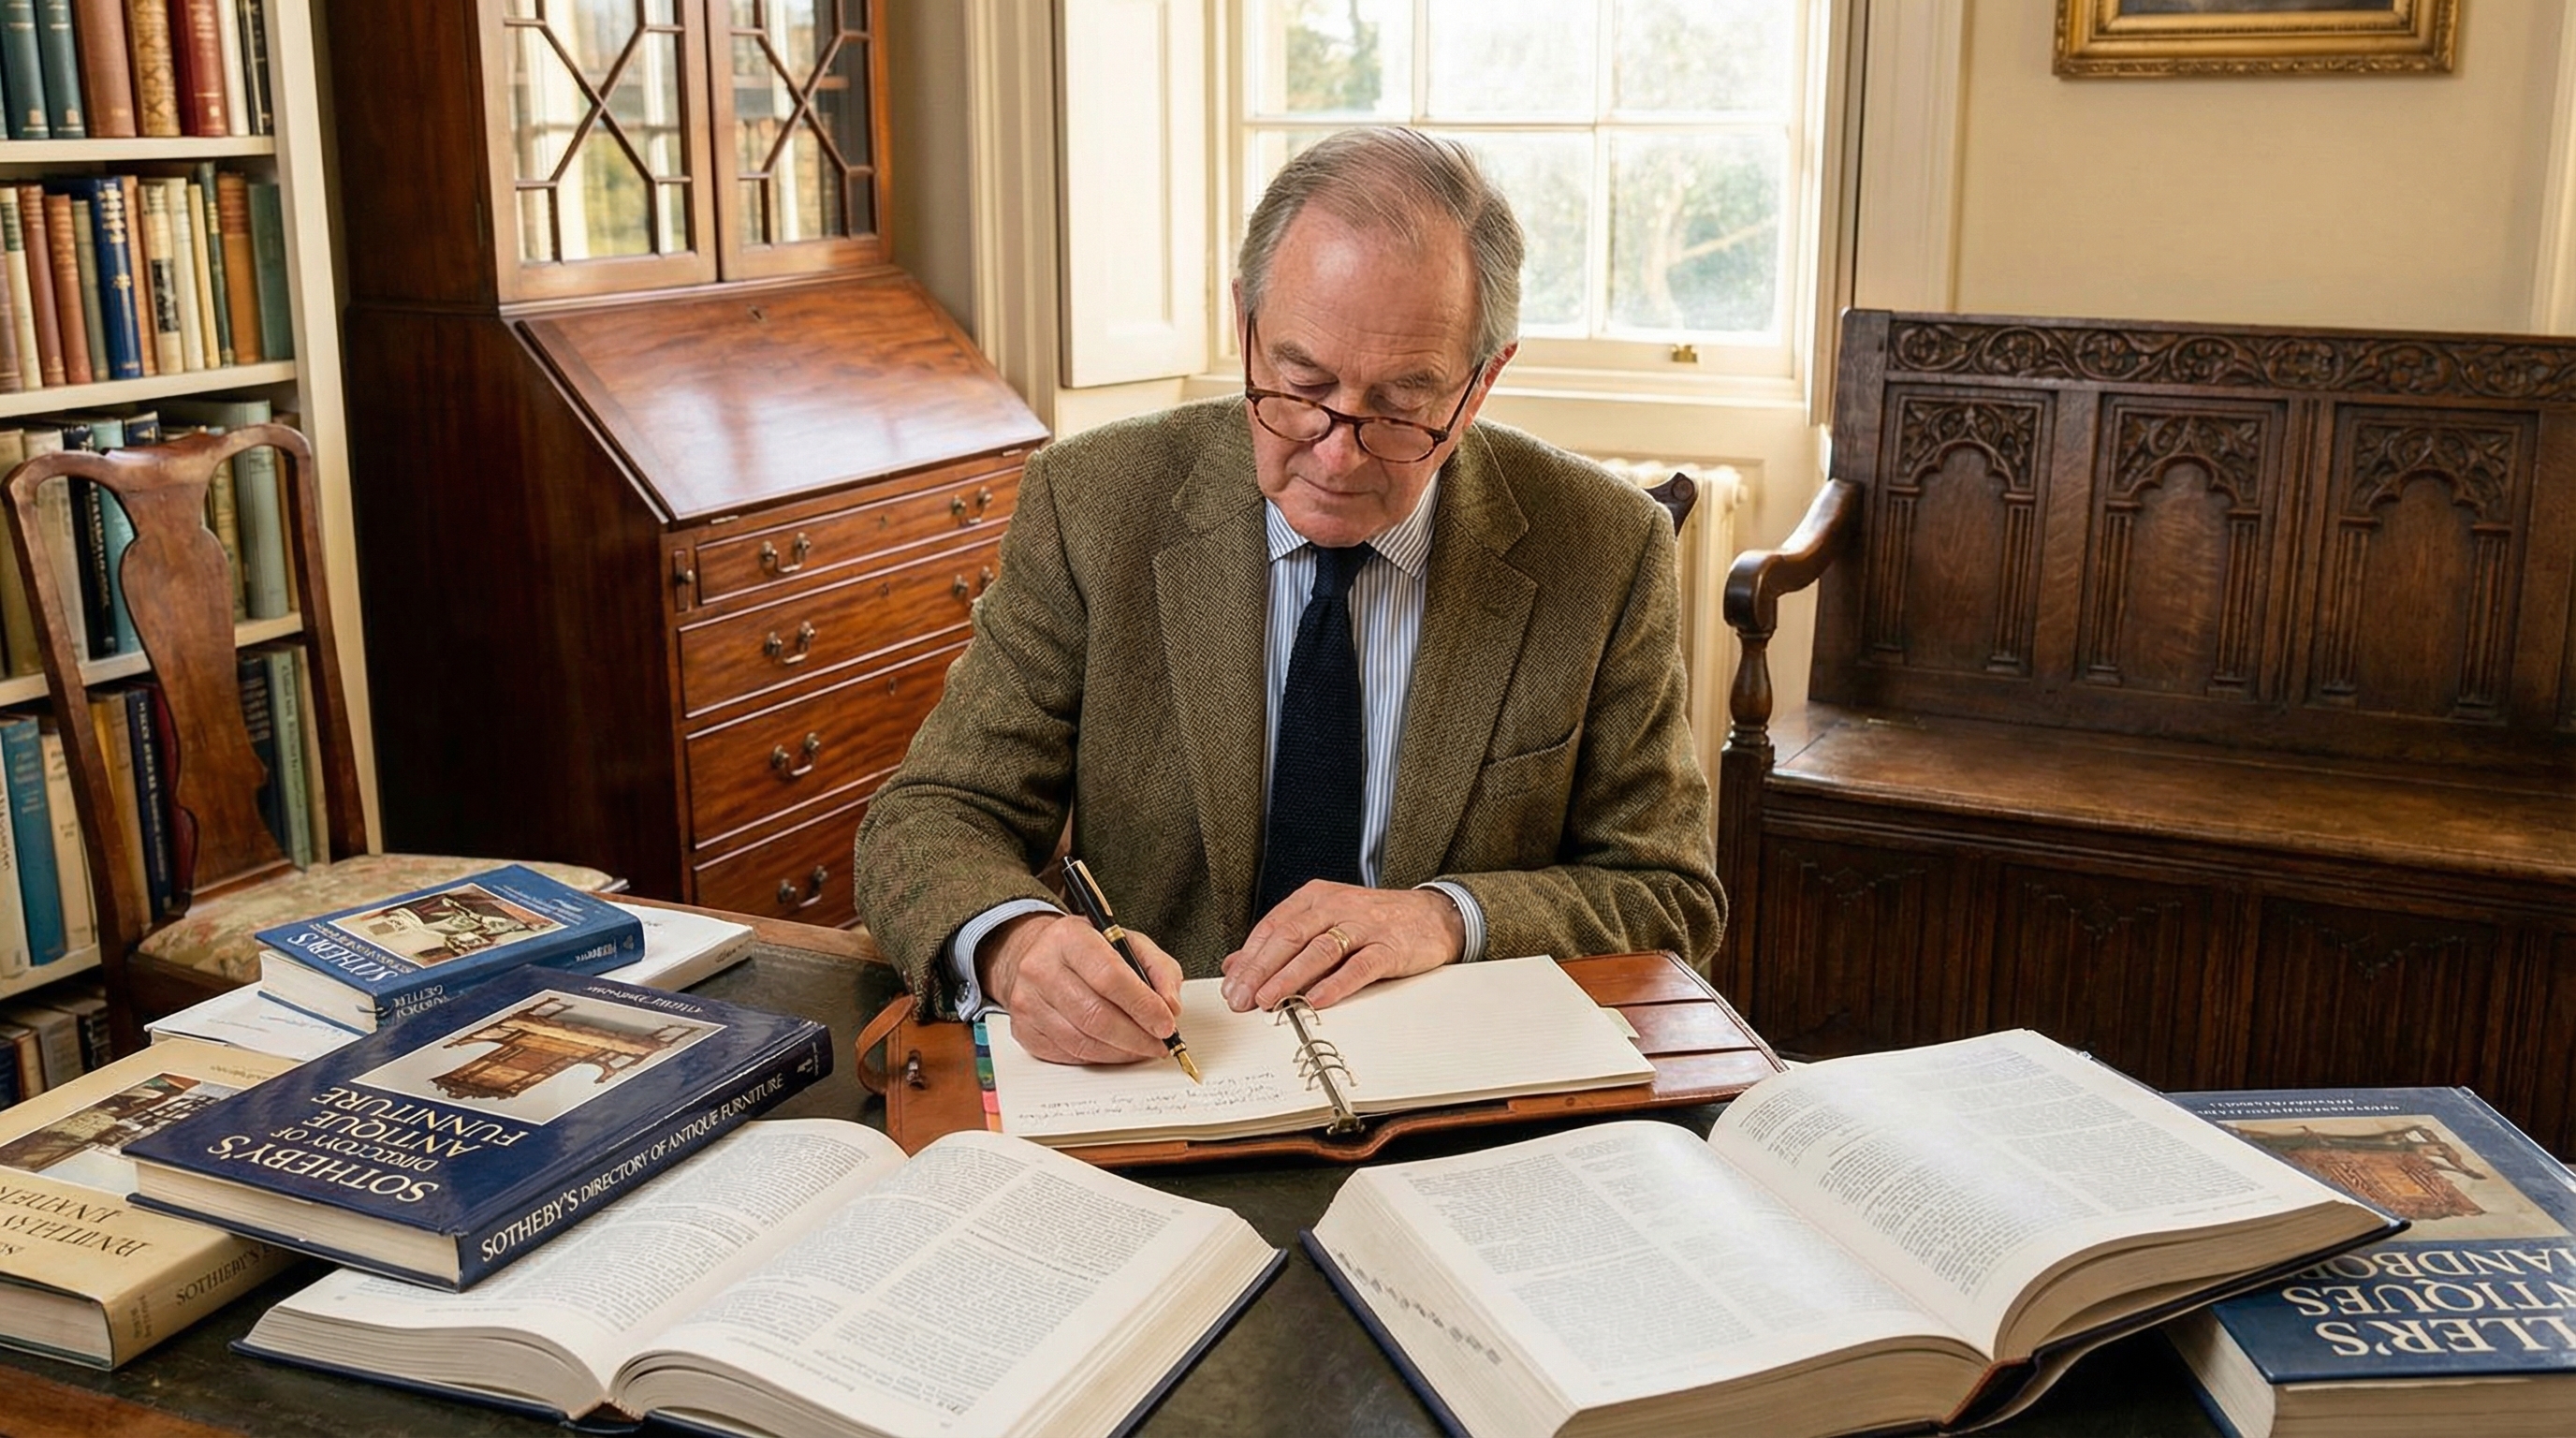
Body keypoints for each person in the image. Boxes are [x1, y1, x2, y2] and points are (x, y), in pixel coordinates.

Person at [853, 125, 1721, 1065]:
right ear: (1245, 328)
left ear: (1480, 384)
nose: (1337, 455)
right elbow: (928, 816)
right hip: (1165, 1078)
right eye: (1302, 384)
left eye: (1400, 404)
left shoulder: (1604, 544)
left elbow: (1668, 893)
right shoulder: (1095, 504)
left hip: (1458, 1085)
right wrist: (1018, 946)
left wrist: (1448, 917)